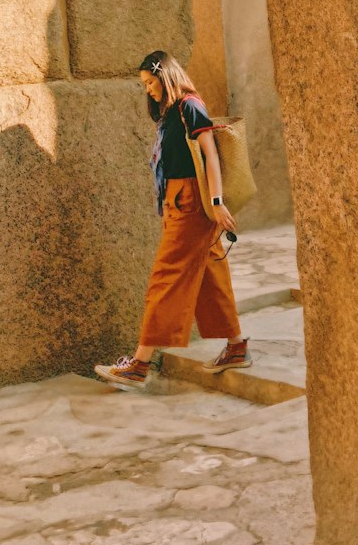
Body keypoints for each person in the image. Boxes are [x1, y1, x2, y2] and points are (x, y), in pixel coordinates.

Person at [94, 50, 250, 390]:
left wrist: (217, 203)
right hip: (180, 201)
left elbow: (210, 154)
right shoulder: (172, 111)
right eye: (145, 85)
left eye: (150, 82)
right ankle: (237, 346)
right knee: (210, 273)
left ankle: (139, 364)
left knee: (165, 278)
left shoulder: (189, 106)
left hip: (193, 204)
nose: (148, 89)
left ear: (164, 76)